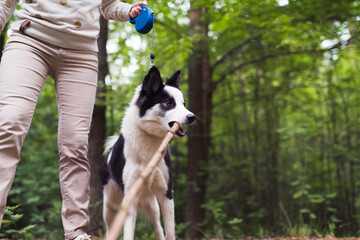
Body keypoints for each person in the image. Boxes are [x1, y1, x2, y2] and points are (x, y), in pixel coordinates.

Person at [0, 0, 147, 239]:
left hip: (81, 53)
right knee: (10, 123)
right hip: (30, 40)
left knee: (75, 143)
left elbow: (108, 5)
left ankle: (77, 232)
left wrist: (129, 11)